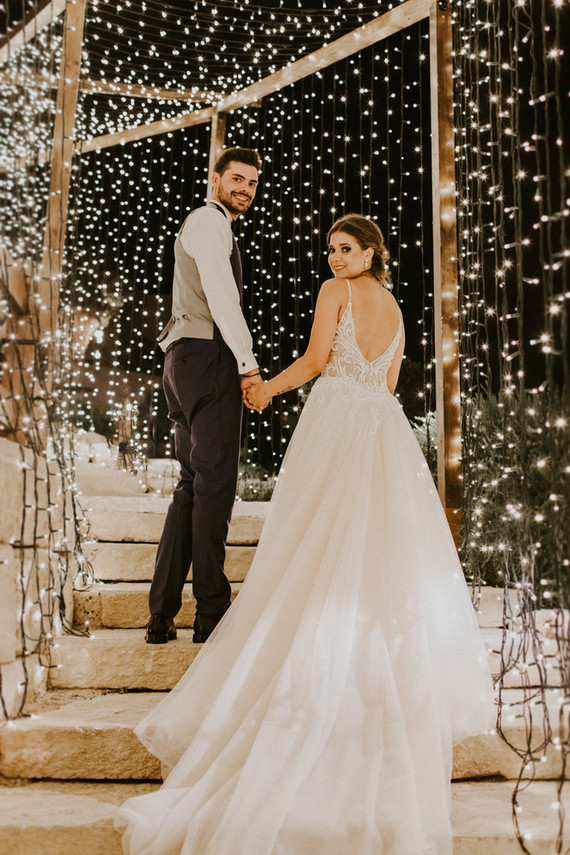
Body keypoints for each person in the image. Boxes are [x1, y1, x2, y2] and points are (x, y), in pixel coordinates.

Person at [117, 214, 494, 854]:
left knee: (312, 543)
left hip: (337, 423)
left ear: (372, 251)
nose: (334, 258)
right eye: (330, 250)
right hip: (384, 430)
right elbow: (393, 382)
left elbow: (320, 360)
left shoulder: (335, 293)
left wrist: (265, 388)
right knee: (371, 552)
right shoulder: (399, 307)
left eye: (346, 249)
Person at [145, 147, 263, 646]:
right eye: (236, 179)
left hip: (181, 360)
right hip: (207, 356)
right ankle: (212, 614)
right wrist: (248, 362)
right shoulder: (209, 221)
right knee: (214, 488)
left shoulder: (209, 224)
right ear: (215, 180)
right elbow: (220, 293)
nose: (244, 189)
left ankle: (161, 615)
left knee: (191, 487)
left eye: (252, 183)